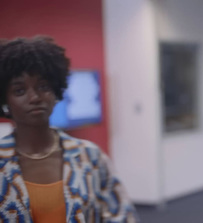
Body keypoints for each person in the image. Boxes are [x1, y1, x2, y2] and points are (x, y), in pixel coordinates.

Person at [0, 36, 139, 222]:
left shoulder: (90, 156)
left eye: (43, 87)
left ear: (56, 91)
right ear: (5, 100)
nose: (34, 97)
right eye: (19, 91)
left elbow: (122, 216)